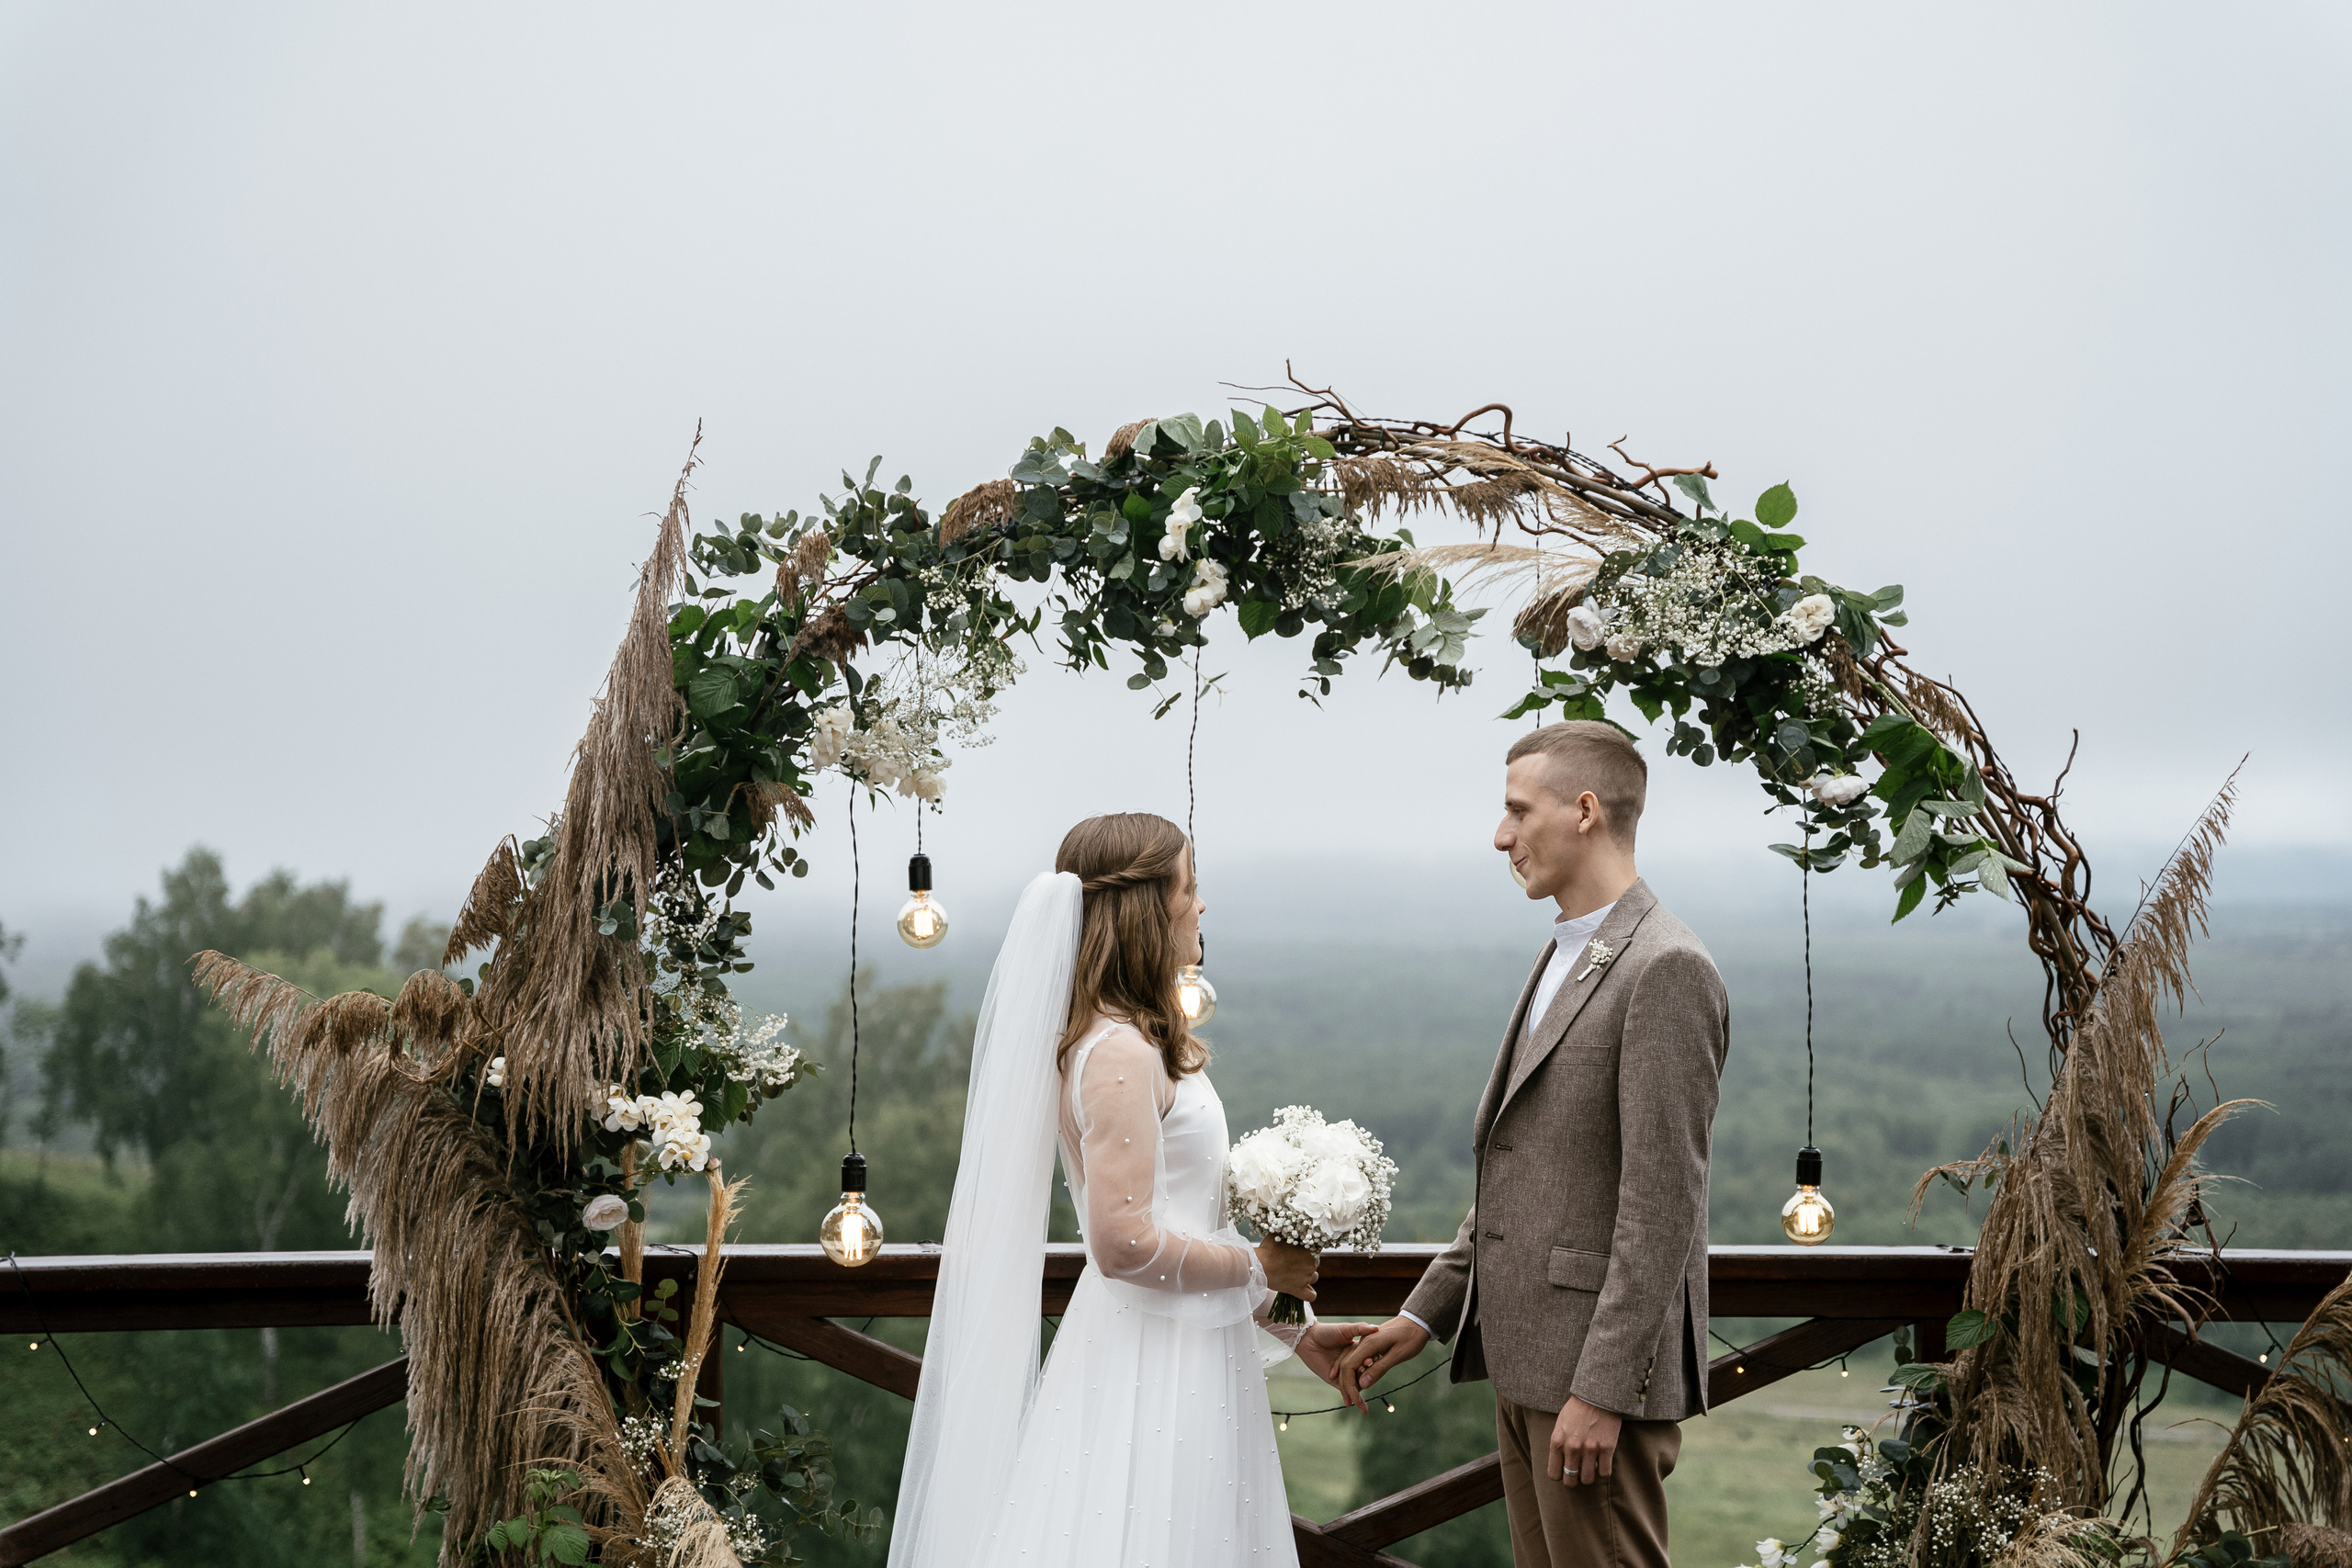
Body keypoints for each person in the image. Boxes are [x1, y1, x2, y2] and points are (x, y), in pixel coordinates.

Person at [890, 811, 1351, 1568]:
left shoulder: (1136, 1039)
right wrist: (1260, 1267)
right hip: (1151, 1369)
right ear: (1145, 906)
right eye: (1189, 886)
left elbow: (1182, 1218)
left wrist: (1294, 1327)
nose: (1201, 904)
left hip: (1195, 1349)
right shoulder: (1118, 1053)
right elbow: (1125, 1242)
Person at [1329, 721, 1731, 1568]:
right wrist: (1424, 1312)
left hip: (1591, 1386)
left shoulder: (1666, 967)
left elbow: (1662, 1203)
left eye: (1518, 810)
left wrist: (1603, 1387)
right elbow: (1528, 1174)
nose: (1501, 834)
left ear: (1585, 810)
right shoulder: (1565, 949)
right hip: (1527, 1366)